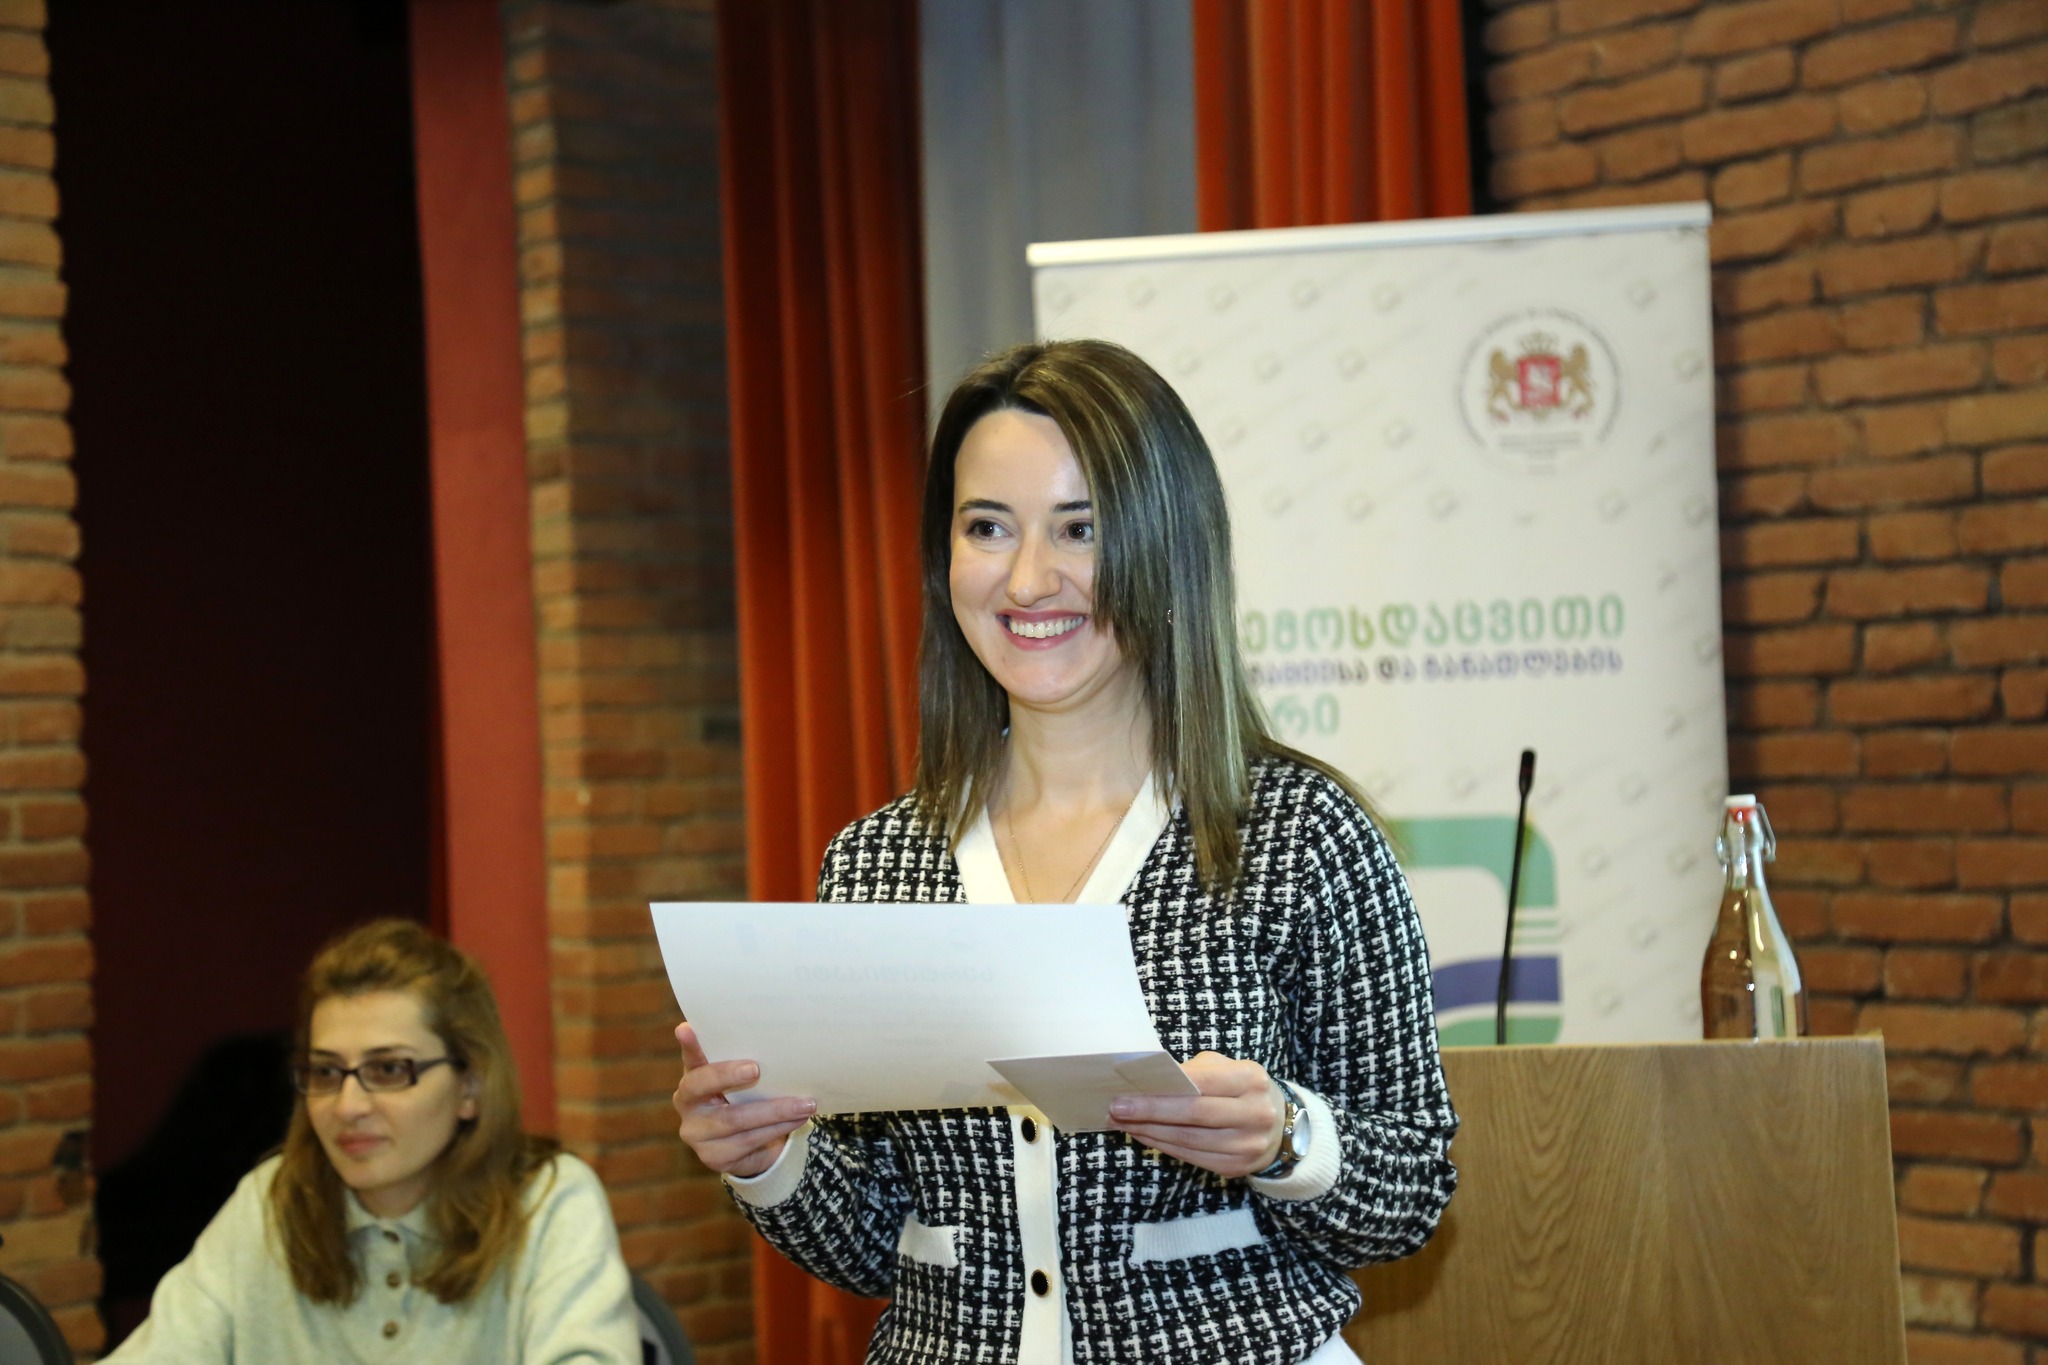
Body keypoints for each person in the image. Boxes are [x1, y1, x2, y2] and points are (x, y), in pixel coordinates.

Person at [673, 338, 1458, 1364]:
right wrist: (766, 1155)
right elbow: (876, 1241)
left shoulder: (1298, 834)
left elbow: (1411, 1192)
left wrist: (1286, 1138)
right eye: (987, 527)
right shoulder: (877, 864)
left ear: (1164, 546)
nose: (1028, 578)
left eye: (1079, 530)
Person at [108, 919, 640, 1363]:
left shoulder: (548, 1201)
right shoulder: (271, 1200)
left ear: (470, 1087)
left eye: (388, 1070)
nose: (348, 1107)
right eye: (325, 1072)